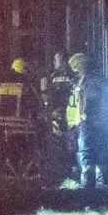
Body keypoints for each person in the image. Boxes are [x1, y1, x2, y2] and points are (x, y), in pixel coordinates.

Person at [68, 53, 107, 188]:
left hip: (89, 121)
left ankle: (89, 187)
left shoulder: (89, 81)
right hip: (95, 121)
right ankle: (100, 184)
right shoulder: (96, 79)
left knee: (87, 152)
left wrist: (82, 117)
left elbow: (87, 101)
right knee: (98, 152)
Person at [42, 52, 76, 186]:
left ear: (62, 60)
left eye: (56, 59)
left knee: (62, 143)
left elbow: (48, 97)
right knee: (68, 144)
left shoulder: (53, 77)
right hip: (67, 115)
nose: (54, 62)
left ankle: (64, 174)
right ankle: (68, 172)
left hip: (60, 114)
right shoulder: (72, 76)